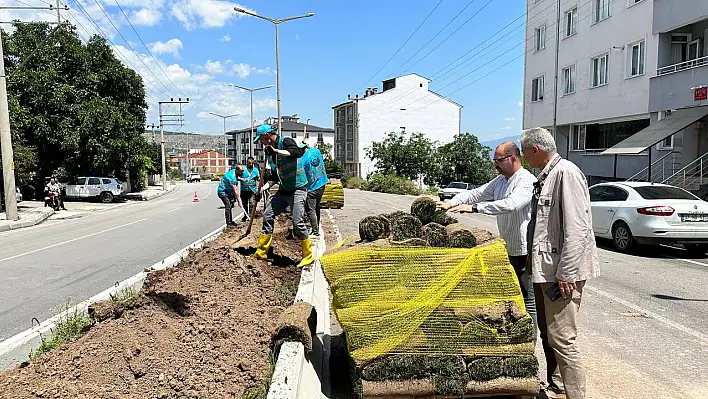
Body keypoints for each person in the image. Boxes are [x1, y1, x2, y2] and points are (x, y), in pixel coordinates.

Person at [520, 127, 600, 399]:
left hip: (561, 274)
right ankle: (558, 384)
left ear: (535, 150)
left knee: (563, 340)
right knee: (551, 334)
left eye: (524, 152)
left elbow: (578, 229)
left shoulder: (566, 172)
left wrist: (566, 273)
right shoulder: (547, 175)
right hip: (547, 271)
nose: (523, 158)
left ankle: (575, 395)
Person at [436, 142, 538, 340]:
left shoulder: (526, 181)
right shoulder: (500, 181)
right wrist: (451, 202)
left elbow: (512, 205)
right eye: (495, 161)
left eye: (499, 161)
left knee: (528, 301)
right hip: (509, 249)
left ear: (513, 158)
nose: (496, 165)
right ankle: (513, 338)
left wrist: (475, 209)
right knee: (511, 297)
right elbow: (476, 193)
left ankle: (528, 344)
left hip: (526, 252)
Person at [253, 123, 313, 267]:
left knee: (297, 222)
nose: (260, 142)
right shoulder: (272, 157)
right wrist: (260, 190)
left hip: (298, 189)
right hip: (284, 190)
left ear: (267, 136)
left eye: (260, 139)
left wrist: (275, 150)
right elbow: (274, 178)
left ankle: (308, 255)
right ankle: (261, 252)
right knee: (268, 215)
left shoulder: (285, 141)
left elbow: (296, 152)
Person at [239, 157, 259, 221]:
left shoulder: (256, 170)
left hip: (252, 189)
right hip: (244, 189)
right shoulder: (243, 169)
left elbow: (259, 179)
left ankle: (250, 216)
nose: (250, 164)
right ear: (246, 163)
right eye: (249, 163)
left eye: (251, 163)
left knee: (251, 203)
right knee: (244, 204)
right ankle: (245, 215)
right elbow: (237, 176)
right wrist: (242, 179)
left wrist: (258, 189)